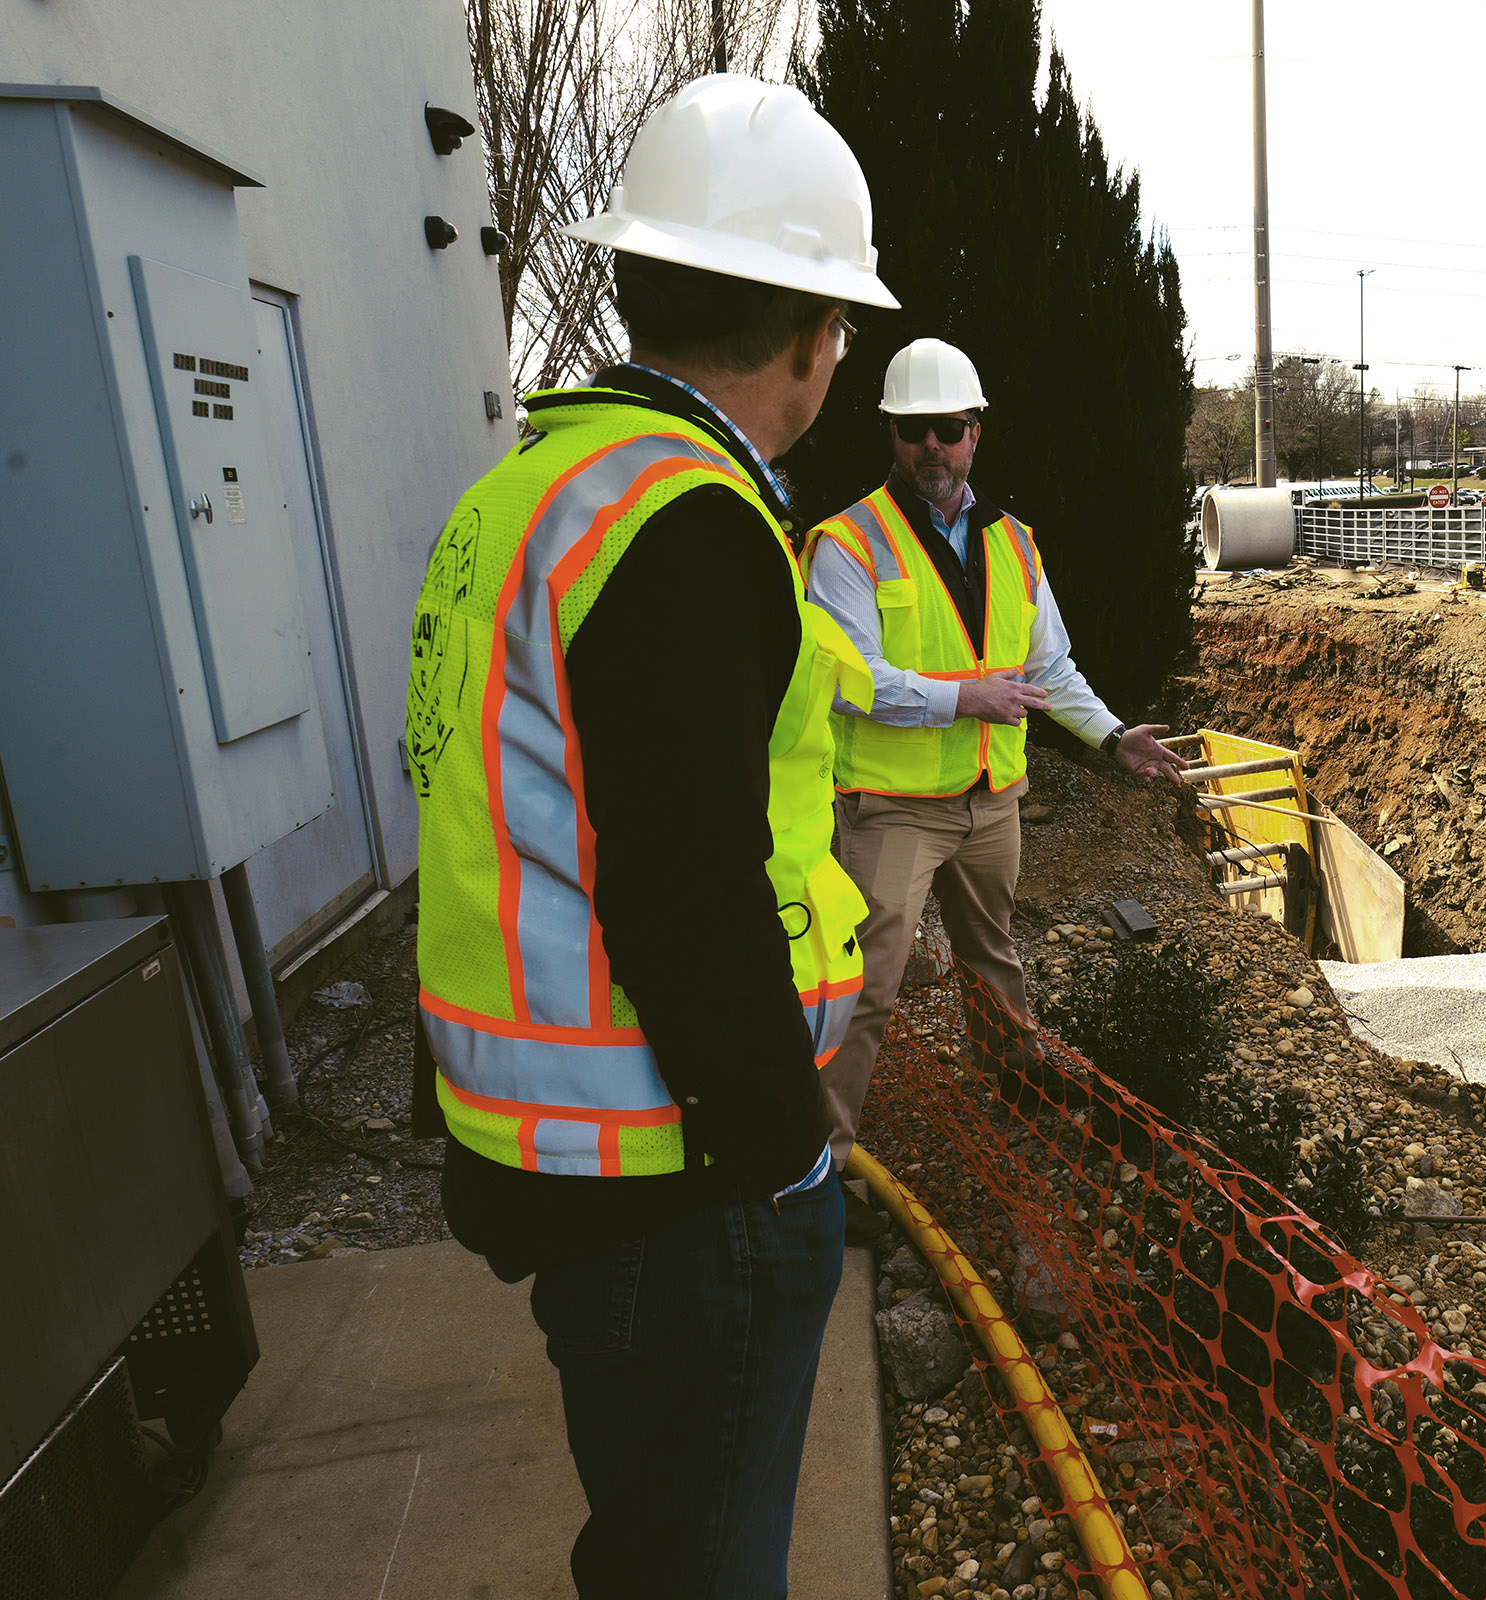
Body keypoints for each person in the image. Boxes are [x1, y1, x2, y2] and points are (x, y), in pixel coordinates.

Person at [404, 74, 897, 1600]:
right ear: (814, 336)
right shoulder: (687, 520)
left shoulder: (529, 491)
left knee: (651, 1541)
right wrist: (785, 1152)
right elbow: (688, 892)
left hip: (556, 1143)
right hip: (678, 1172)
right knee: (697, 1565)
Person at [804, 339, 1186, 1160]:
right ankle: (821, 1164)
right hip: (894, 808)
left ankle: (1011, 1087)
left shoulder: (1014, 542)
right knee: (865, 985)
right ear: (891, 434)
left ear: (975, 432)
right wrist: (964, 699)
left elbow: (1050, 669)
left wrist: (1112, 736)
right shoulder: (848, 544)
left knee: (991, 959)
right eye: (914, 429)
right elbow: (847, 680)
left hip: (991, 801)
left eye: (948, 428)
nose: (931, 446)